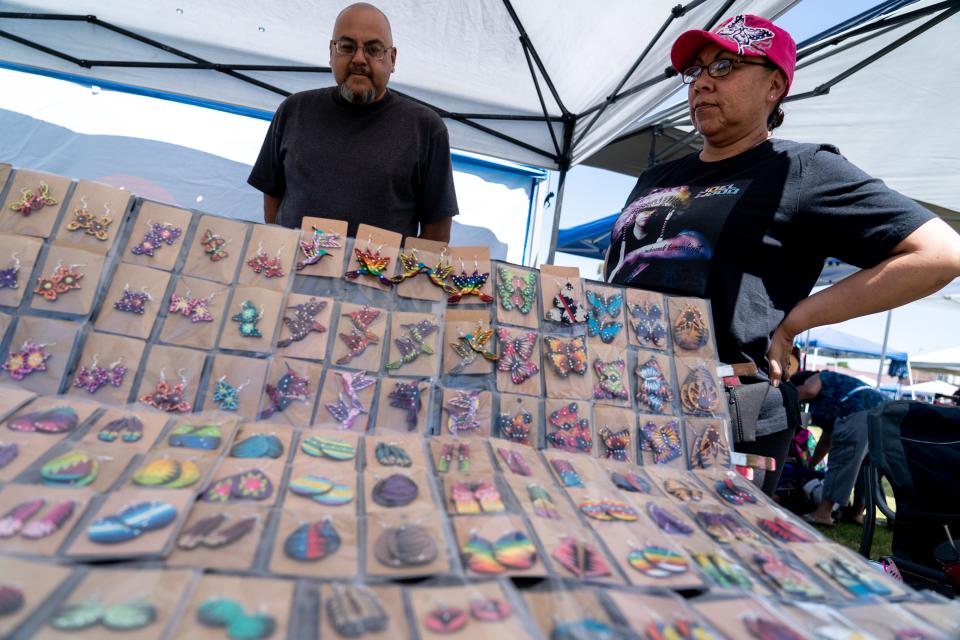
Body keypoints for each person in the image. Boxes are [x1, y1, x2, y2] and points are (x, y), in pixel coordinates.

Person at [604, 14, 960, 495]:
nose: (704, 82)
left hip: (725, 411)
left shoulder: (801, 168)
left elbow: (940, 253)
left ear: (775, 86)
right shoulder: (656, 178)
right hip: (617, 396)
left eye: (725, 66)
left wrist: (797, 321)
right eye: (698, 70)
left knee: (704, 560)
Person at [247, 2, 458, 241]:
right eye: (347, 46)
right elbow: (273, 198)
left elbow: (437, 233)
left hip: (379, 278)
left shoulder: (426, 129)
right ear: (331, 52)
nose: (359, 58)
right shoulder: (293, 111)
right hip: (292, 275)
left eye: (373, 49)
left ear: (392, 58)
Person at [793, 370, 888, 525]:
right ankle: (856, 512)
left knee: (843, 459)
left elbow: (809, 390)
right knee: (868, 468)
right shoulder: (837, 391)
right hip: (885, 413)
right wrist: (811, 466)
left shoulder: (818, 376)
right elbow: (826, 441)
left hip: (858, 409)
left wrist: (786, 395)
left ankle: (823, 513)